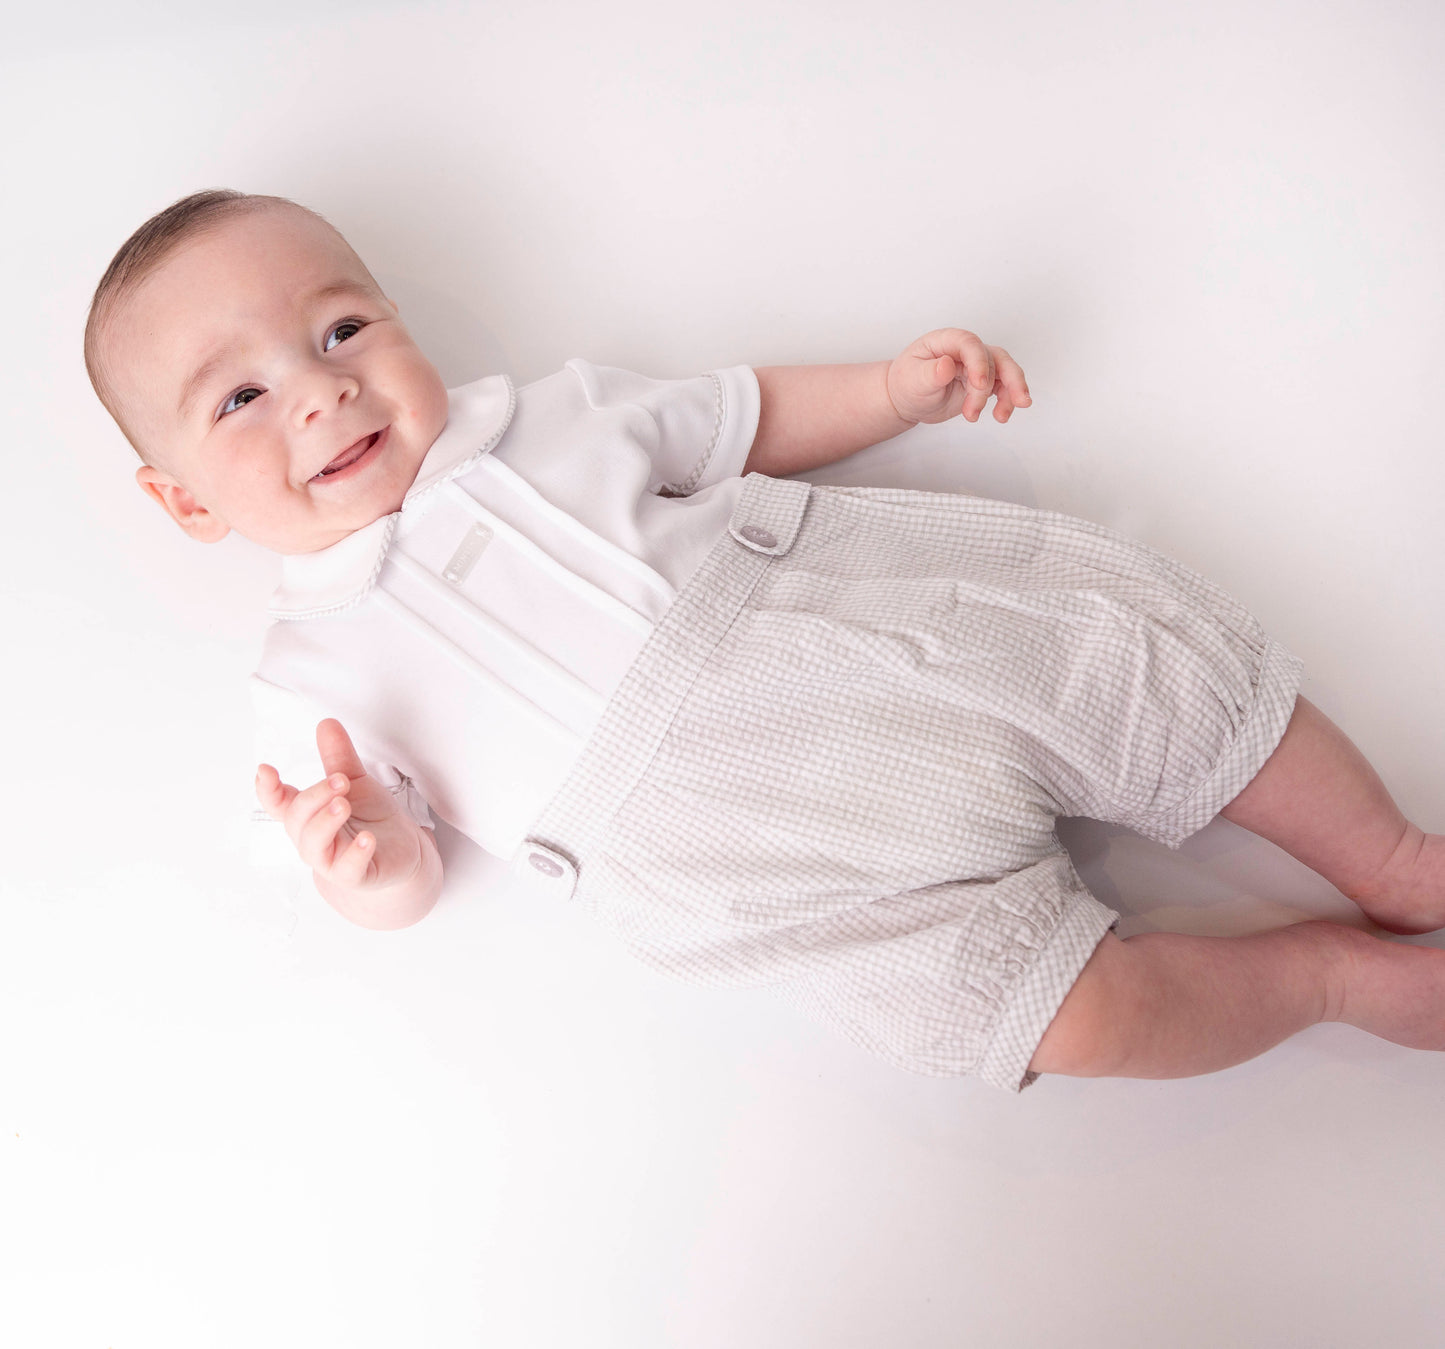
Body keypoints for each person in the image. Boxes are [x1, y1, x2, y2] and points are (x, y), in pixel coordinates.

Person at [84, 188, 1445, 1092]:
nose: (321, 391)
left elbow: (738, 416)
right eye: (244, 394)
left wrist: (889, 390)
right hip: (770, 875)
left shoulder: (543, 422)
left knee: (1143, 684)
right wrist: (365, 856)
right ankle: (1324, 974)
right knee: (1060, 1015)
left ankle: (1386, 855)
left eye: (343, 326)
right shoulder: (307, 685)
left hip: (863, 643)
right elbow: (395, 883)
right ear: (184, 500)